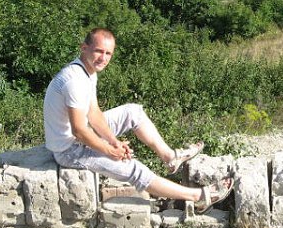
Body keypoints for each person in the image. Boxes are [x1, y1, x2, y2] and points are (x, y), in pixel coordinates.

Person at [43, 27, 232, 213]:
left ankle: (170, 157)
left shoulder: (88, 72)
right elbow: (79, 130)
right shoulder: (74, 81)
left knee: (133, 112)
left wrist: (114, 142)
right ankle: (199, 197)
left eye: (108, 53)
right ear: (84, 48)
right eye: (99, 51)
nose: (103, 58)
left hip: (79, 137)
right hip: (68, 149)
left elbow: (94, 114)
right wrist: (110, 151)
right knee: (133, 168)